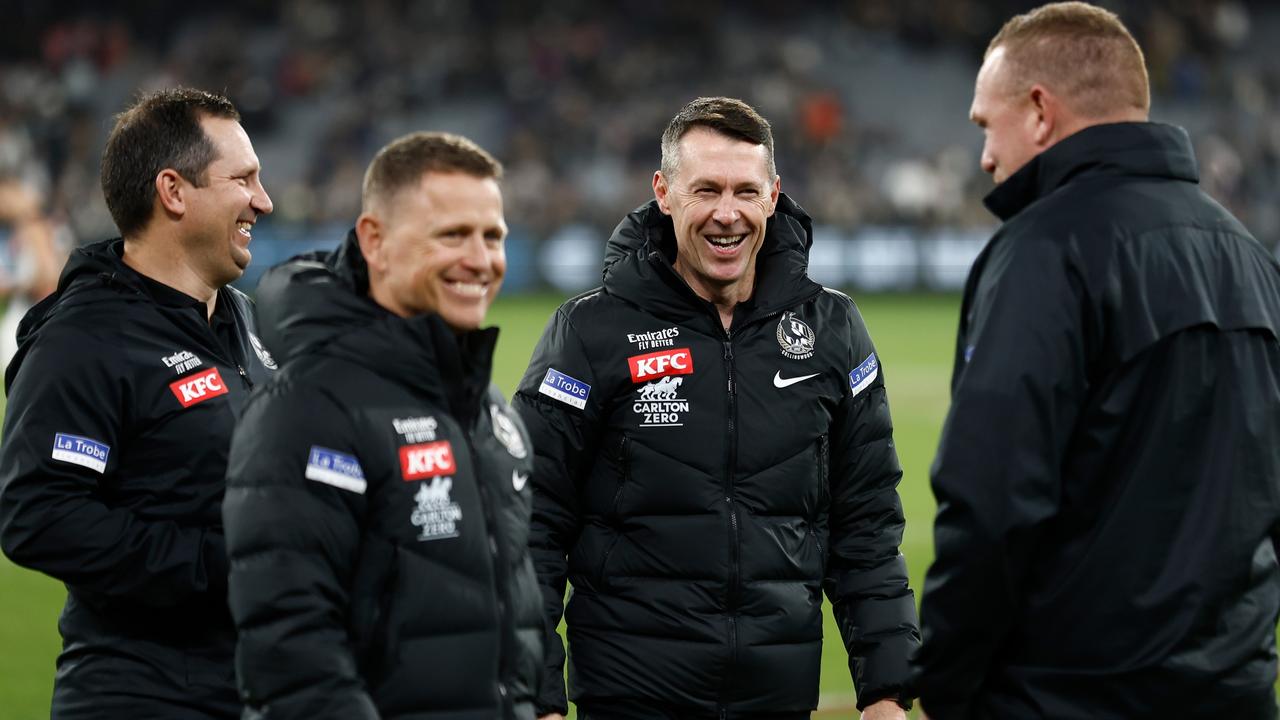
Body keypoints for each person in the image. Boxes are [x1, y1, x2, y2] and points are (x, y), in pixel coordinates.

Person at [912, 3, 1280, 718]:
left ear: (1040, 111)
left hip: (1065, 698)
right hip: (1232, 694)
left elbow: (991, 503)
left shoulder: (1045, 251)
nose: (985, 156)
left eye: (987, 124)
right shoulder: (1251, 259)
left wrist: (946, 682)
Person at [513, 96, 918, 720]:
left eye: (745, 191)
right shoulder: (589, 334)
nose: (727, 215)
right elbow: (531, 526)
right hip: (631, 701)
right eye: (705, 190)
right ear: (664, 192)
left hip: (775, 701)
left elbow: (867, 526)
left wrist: (888, 690)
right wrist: (536, 698)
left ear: (774, 195)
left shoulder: (831, 329)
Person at [222, 131, 544, 719]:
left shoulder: (491, 412)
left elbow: (515, 613)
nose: (481, 259)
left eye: (492, 236)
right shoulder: (307, 409)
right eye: (453, 235)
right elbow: (292, 655)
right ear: (376, 241)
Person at [0, 87, 275, 719]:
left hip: (257, 688)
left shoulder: (240, 318)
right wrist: (224, 564)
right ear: (174, 192)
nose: (263, 201)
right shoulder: (85, 337)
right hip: (145, 696)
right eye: (244, 179)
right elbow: (40, 515)